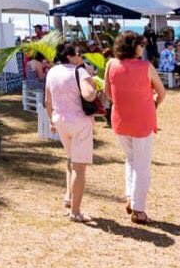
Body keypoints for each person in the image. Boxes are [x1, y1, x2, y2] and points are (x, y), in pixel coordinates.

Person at [104, 32, 165, 224]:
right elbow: (161, 92)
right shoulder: (146, 67)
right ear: (134, 46)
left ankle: (131, 196)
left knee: (130, 160)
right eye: (142, 44)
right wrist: (153, 103)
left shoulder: (111, 64)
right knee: (142, 166)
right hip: (142, 120)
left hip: (121, 120)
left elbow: (108, 94)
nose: (144, 47)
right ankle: (138, 209)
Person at [45, 41, 98, 223]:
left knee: (71, 159)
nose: (81, 56)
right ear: (69, 55)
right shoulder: (80, 71)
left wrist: (51, 120)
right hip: (79, 122)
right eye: (78, 53)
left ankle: (69, 197)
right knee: (79, 167)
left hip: (60, 120)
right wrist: (91, 81)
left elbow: (48, 100)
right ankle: (75, 211)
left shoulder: (52, 72)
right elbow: (89, 95)